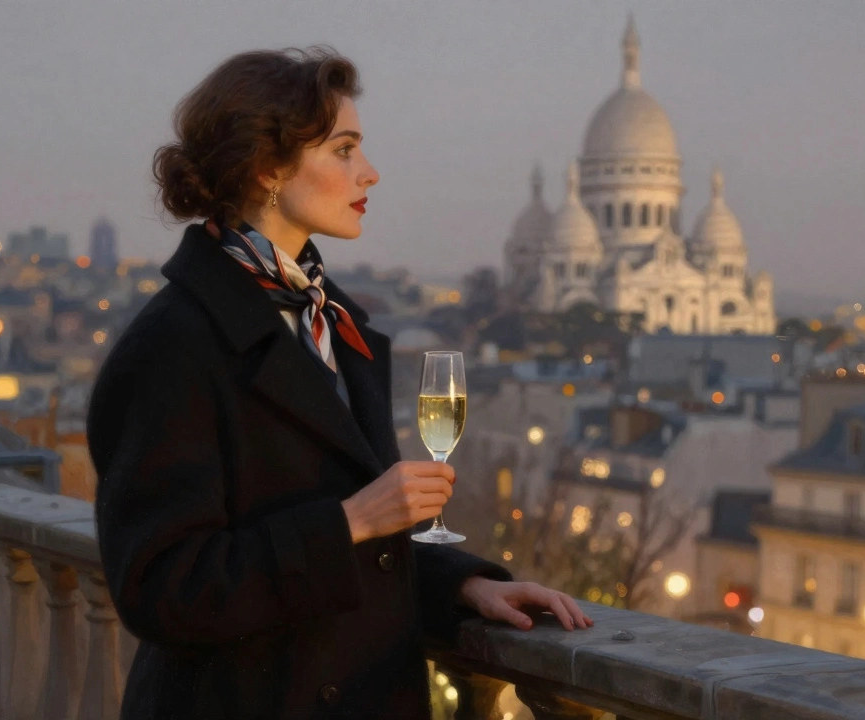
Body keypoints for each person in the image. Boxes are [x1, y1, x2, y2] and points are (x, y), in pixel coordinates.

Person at [87, 45, 592, 720]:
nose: (370, 172)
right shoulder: (171, 346)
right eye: (344, 149)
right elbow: (162, 589)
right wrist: (352, 521)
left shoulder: (332, 321)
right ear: (268, 167)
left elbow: (356, 546)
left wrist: (461, 586)